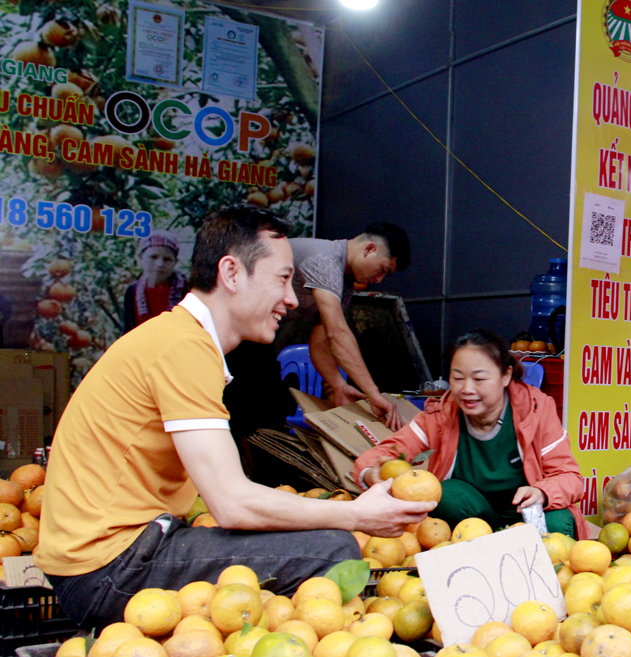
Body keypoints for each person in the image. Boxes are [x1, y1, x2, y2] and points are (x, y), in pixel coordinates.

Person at [34, 207, 436, 629]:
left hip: (114, 553)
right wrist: (357, 515)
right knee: (333, 549)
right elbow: (231, 503)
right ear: (231, 273)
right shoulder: (182, 349)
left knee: (304, 539)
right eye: (282, 279)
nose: (292, 299)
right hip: (110, 569)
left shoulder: (181, 339)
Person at [353, 329, 586, 537]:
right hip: (472, 523)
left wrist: (543, 492)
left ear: (505, 376)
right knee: (446, 495)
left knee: (558, 522)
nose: (467, 390)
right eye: (457, 378)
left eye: (479, 379)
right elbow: (388, 451)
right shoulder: (442, 415)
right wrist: (369, 474)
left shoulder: (535, 411)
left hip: (524, 517)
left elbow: (570, 478)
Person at [277, 222, 411, 429]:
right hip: (224, 325)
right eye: (383, 270)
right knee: (260, 408)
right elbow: (336, 333)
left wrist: (338, 385)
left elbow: (321, 341)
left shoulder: (344, 282)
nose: (379, 279)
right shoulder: (325, 260)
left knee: (270, 406)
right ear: (369, 249)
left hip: (251, 333)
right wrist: (373, 394)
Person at [122, 230, 189, 332]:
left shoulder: (186, 290)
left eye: (167, 259)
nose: (160, 264)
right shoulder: (132, 292)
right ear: (141, 258)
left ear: (175, 262)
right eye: (153, 257)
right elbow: (128, 331)